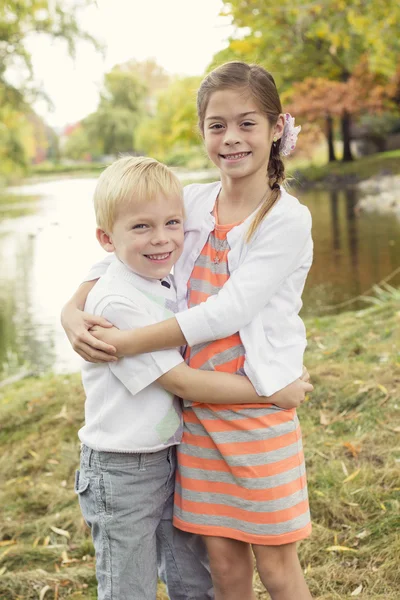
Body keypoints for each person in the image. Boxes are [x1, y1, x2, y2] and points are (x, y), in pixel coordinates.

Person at [73, 154, 313, 600]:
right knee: (131, 585)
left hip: (170, 451)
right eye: (143, 228)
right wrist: (272, 394)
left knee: (193, 577)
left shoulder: (160, 275)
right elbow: (182, 381)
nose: (162, 238)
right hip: (124, 463)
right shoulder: (120, 304)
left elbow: (230, 307)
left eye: (172, 225)